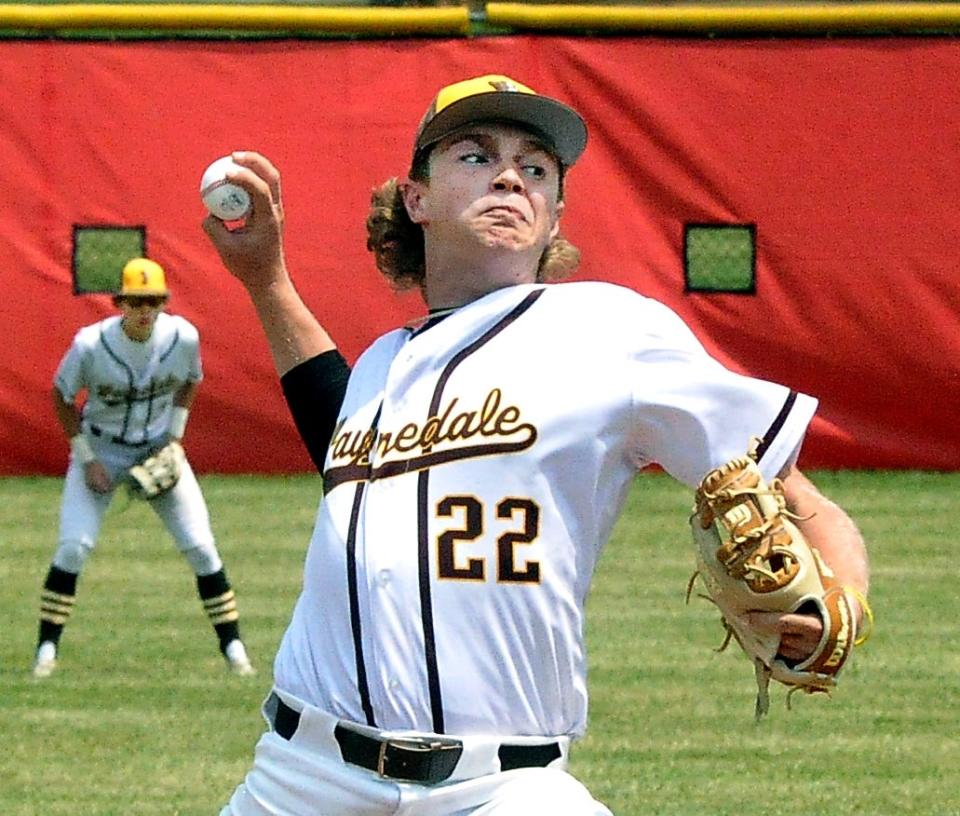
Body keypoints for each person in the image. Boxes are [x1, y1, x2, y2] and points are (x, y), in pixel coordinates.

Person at [203, 75, 870, 815]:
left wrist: (836, 608)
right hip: (304, 775)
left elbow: (798, 495)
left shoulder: (610, 331)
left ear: (554, 216)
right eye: (474, 154)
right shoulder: (382, 365)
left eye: (538, 167)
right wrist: (265, 279)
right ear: (416, 200)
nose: (511, 174)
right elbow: (339, 441)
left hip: (501, 784)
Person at [33, 258, 254, 679]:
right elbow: (61, 396)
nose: (145, 310)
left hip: (156, 448)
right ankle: (46, 649)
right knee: (73, 547)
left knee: (202, 548)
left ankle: (234, 649)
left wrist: (174, 437)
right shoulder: (90, 344)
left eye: (153, 301)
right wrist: (86, 458)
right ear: (120, 303)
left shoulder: (183, 337)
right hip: (101, 447)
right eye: (137, 301)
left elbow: (192, 379)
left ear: (164, 302)